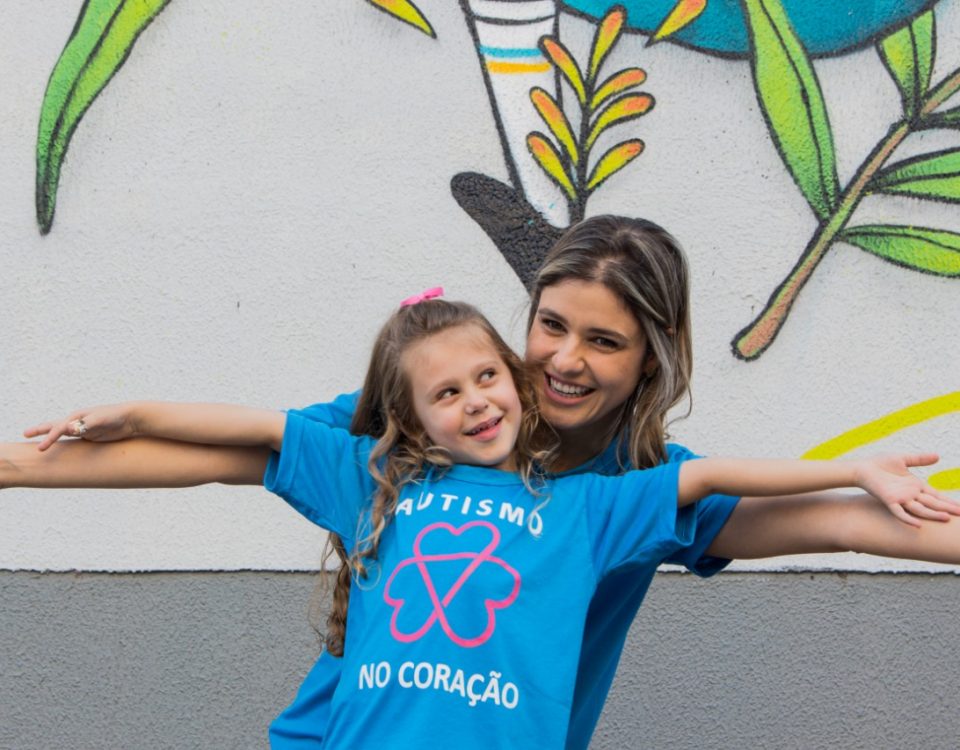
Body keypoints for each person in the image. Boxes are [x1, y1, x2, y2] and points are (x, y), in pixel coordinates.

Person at [6, 216, 960, 749]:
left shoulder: (632, 491)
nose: (567, 359)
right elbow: (230, 453)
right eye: (551, 325)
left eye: (604, 341)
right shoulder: (443, 416)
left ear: (652, 358)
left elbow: (850, 524)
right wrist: (15, 468)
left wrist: (871, 487)